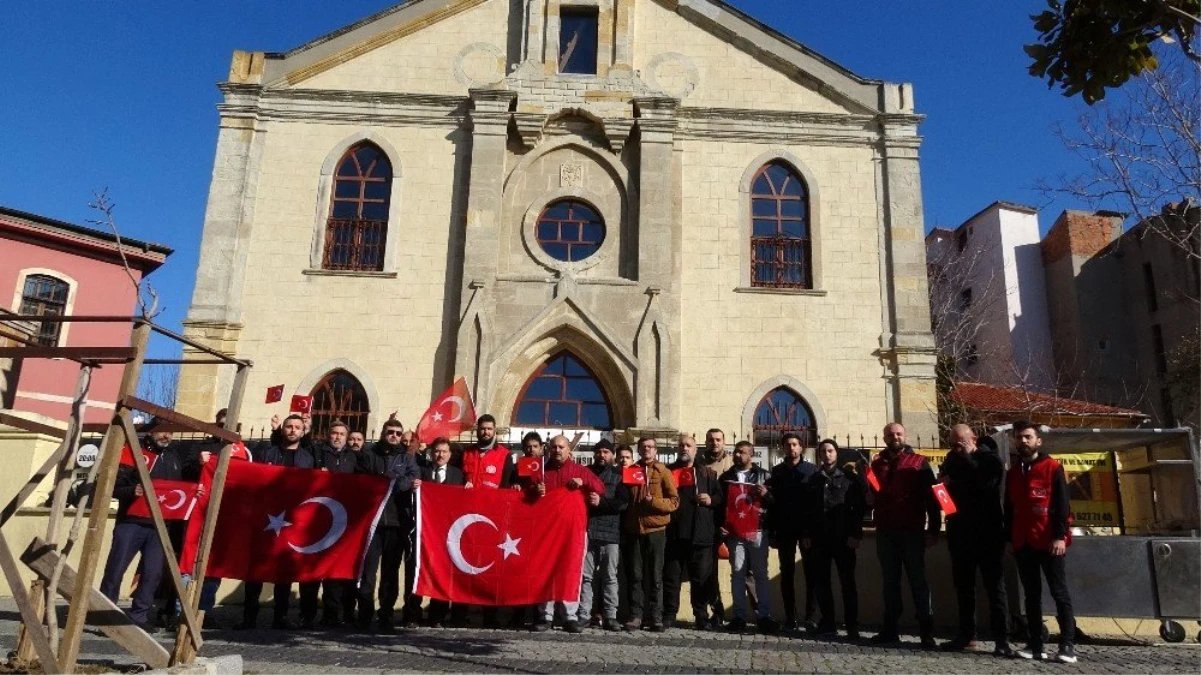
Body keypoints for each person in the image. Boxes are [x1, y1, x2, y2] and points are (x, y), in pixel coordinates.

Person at [100, 418, 193, 633]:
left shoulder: (173, 457)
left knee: (153, 573)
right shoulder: (132, 452)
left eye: (170, 432)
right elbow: (113, 485)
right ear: (151, 433)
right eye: (162, 432)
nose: (166, 436)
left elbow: (181, 488)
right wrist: (132, 490)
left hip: (160, 527)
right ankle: (105, 614)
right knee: (116, 569)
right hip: (131, 523)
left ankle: (138, 616)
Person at [238, 415, 319, 630]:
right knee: (255, 571)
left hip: (292, 522)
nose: (293, 430)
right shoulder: (267, 453)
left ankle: (280, 617)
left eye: (297, 427)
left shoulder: (307, 459)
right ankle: (249, 617)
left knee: (284, 572)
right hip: (265, 519)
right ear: (283, 429)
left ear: (303, 432)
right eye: (289, 427)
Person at [1005, 420, 1077, 664]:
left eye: (1027, 437)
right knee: (1031, 596)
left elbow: (1061, 505)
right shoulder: (1013, 473)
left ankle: (1067, 645)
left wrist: (1059, 535)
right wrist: (1009, 538)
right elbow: (1009, 507)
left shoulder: (1052, 467)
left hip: (1048, 540)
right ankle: (1036, 644)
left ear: (1038, 441)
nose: (1022, 441)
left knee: (1059, 593)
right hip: (1023, 541)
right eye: (1018, 437)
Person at [939, 424, 1013, 656]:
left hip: (988, 532)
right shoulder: (951, 460)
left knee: (995, 588)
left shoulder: (990, 460)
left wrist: (969, 457)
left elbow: (987, 487)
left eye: (960, 443)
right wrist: (942, 489)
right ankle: (966, 635)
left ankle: (1002, 639)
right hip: (960, 532)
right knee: (963, 587)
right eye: (952, 444)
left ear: (973, 439)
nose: (956, 448)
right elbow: (943, 496)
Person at [868, 422, 940, 649]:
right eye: (890, 434)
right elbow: (872, 495)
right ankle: (890, 630)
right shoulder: (877, 464)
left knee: (918, 582)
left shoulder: (919, 462)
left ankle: (926, 633)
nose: (895, 437)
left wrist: (934, 530)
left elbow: (932, 499)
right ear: (884, 437)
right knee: (890, 583)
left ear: (904, 436)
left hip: (912, 531)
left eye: (898, 433)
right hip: (885, 532)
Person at [529, 435, 605, 632]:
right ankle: (545, 615)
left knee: (571, 571)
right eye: (553, 447)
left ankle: (569, 616)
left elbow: (600, 488)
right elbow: (527, 498)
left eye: (561, 447)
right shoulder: (542, 472)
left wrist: (583, 482)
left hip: (573, 532)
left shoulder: (581, 470)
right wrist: (536, 489)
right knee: (545, 571)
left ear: (569, 450)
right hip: (546, 532)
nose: (557, 450)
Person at [354, 418, 420, 634]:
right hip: (372, 523)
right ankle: (364, 614)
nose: (394, 436)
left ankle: (386, 614)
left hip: (398, 523)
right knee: (368, 572)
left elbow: (413, 480)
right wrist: (388, 481)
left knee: (390, 574)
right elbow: (363, 481)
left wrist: (390, 481)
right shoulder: (368, 454)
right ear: (383, 432)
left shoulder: (407, 458)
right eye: (390, 431)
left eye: (398, 433)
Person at [803, 439, 865, 639]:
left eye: (830, 451)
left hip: (844, 539)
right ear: (819, 455)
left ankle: (852, 625)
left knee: (848, 583)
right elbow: (808, 511)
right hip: (820, 540)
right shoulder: (813, 480)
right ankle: (827, 622)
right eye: (823, 451)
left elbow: (858, 510)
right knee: (822, 583)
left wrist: (856, 535)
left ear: (836, 453)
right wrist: (806, 534)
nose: (827, 455)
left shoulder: (849, 479)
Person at [457, 414, 514, 628]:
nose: (485, 432)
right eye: (482, 429)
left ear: (495, 430)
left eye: (489, 429)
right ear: (477, 430)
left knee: (490, 571)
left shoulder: (505, 455)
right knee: (463, 567)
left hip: (492, 522)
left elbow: (508, 487)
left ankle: (491, 615)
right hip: (467, 521)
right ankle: (460, 613)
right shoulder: (466, 453)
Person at [718, 441, 779, 634]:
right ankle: (739, 617)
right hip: (735, 533)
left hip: (758, 531)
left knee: (761, 574)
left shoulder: (764, 475)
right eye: (736, 452)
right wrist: (722, 526)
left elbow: (776, 505)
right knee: (737, 574)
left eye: (742, 452)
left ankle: (764, 616)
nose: (738, 455)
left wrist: (767, 494)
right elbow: (722, 505)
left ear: (751, 455)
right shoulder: (726, 477)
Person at [664, 433, 723, 630]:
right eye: (681, 445)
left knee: (700, 580)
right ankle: (669, 615)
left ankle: (701, 616)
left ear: (695, 450)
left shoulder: (707, 473)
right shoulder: (668, 471)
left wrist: (711, 500)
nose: (684, 449)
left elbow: (720, 498)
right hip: (674, 534)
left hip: (700, 535)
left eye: (689, 445)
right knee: (672, 579)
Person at [621, 437, 679, 632]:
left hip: (656, 529)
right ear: (638, 450)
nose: (647, 450)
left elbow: (673, 502)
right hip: (634, 529)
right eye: (643, 447)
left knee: (655, 575)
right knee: (635, 575)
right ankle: (636, 615)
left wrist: (652, 501)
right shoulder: (631, 471)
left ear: (656, 450)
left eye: (650, 447)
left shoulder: (663, 471)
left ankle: (656, 617)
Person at [767, 431, 818, 631]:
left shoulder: (811, 471)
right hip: (784, 529)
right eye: (788, 444)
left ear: (801, 447)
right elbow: (773, 505)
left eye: (795, 444)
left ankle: (811, 618)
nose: (792, 448)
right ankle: (790, 617)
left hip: (806, 531)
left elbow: (814, 505)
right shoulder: (777, 471)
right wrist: (772, 532)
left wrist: (809, 532)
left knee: (810, 574)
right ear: (783, 448)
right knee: (786, 574)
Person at [411, 438, 464, 627]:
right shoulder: (422, 472)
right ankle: (412, 615)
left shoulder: (458, 475)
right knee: (417, 570)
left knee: (443, 573)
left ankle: (437, 616)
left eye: (443, 452)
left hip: (447, 534)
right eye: (436, 451)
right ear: (431, 453)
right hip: (423, 531)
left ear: (450, 455)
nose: (440, 455)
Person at [579, 439, 628, 631]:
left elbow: (622, 503)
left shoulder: (620, 475)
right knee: (586, 577)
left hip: (611, 533)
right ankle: (584, 614)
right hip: (587, 531)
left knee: (610, 577)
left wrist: (601, 502)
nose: (602, 455)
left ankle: (610, 615)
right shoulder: (585, 473)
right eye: (599, 451)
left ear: (613, 455)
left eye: (606, 451)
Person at [317, 421, 360, 628]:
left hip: (349, 520)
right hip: (322, 518)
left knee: (346, 568)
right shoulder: (319, 454)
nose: (337, 437)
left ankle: (348, 611)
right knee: (325, 568)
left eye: (342, 434)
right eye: (334, 433)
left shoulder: (354, 457)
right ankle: (327, 613)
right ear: (328, 435)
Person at [696, 428, 735, 625]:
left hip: (733, 524)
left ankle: (752, 614)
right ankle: (717, 612)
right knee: (709, 573)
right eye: (711, 440)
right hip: (710, 525)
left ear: (724, 442)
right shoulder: (699, 464)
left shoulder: (731, 463)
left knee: (745, 572)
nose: (714, 443)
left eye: (718, 440)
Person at [508, 431, 545, 629]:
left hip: (542, 527)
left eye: (535, 446)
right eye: (528, 447)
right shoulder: (516, 469)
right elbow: (508, 491)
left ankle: (541, 615)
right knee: (520, 571)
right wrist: (514, 486)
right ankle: (519, 613)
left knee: (540, 571)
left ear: (541, 448)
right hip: (521, 526)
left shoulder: (547, 470)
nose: (531, 450)